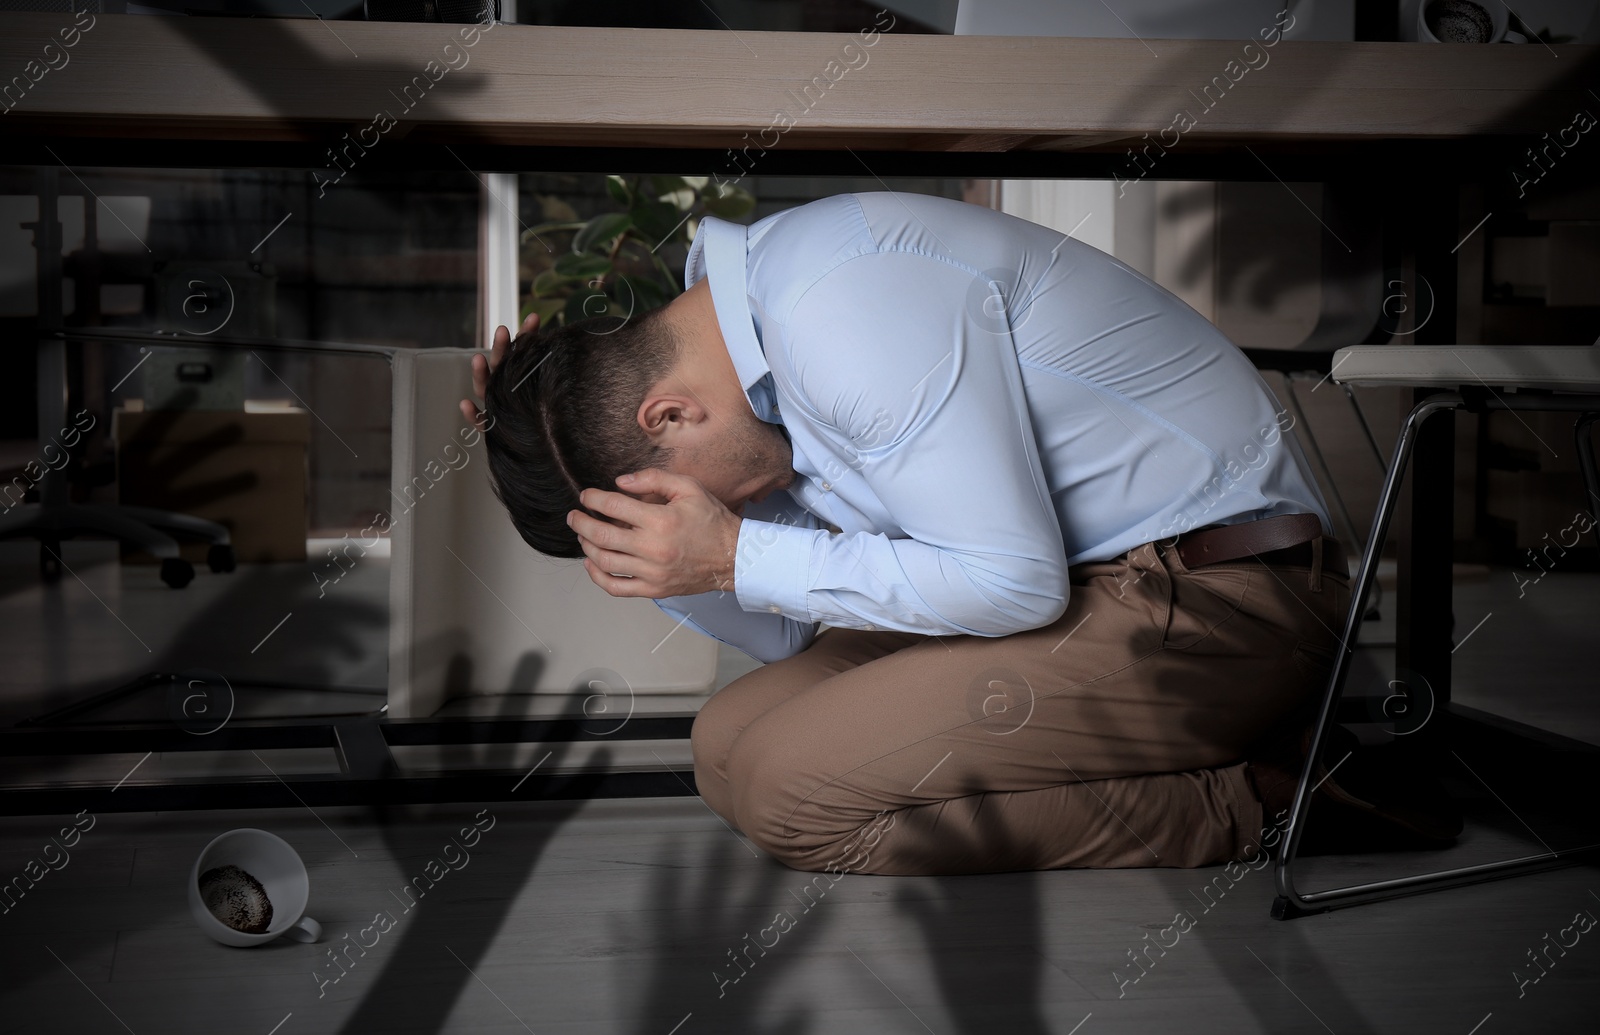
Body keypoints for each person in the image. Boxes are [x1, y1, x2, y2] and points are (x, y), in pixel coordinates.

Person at [460, 190, 1460, 877]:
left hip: (1221, 601)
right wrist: (550, 453)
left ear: (667, 416)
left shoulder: (840, 310)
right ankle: (1196, 760)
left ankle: (1264, 800)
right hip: (1092, 583)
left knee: (791, 798)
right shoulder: (743, 346)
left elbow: (1012, 584)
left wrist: (729, 550)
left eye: (662, 497)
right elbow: (787, 627)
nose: (707, 517)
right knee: (725, 742)